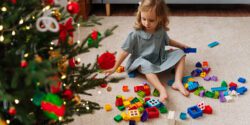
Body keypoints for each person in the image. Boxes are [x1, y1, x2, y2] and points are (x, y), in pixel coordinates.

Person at [103, 0, 189, 103]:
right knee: (146, 65)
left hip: (158, 58)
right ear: (140, 16)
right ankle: (161, 89)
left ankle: (177, 82)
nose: (146, 23)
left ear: (160, 18)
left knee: (180, 53)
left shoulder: (160, 30)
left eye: (151, 20)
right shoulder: (135, 33)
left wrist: (181, 46)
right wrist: (114, 67)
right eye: (144, 19)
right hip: (141, 61)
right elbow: (125, 51)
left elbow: (168, 41)